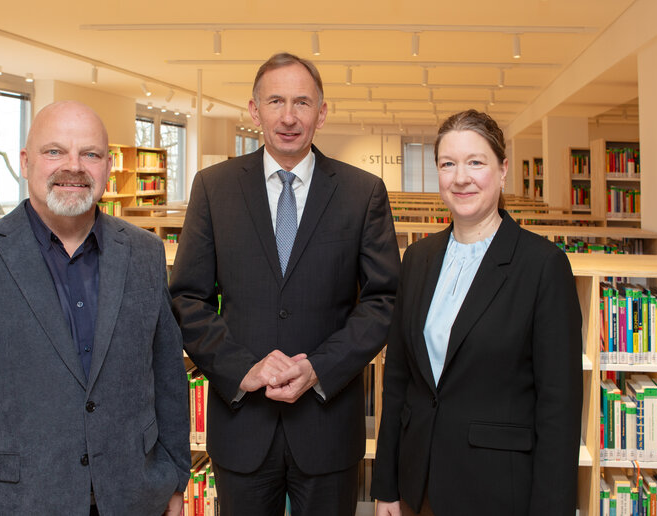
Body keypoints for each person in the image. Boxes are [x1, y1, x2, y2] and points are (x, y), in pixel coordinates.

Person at [0, 100, 190, 516]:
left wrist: (174, 477)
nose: (73, 166)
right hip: (18, 503)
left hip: (134, 497)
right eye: (54, 151)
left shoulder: (145, 253)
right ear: (25, 161)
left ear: (108, 167)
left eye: (90, 154)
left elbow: (167, 376)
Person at [169, 52, 400, 516]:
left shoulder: (362, 192)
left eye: (302, 102)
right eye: (275, 101)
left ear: (322, 111)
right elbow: (187, 298)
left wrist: (319, 367)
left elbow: (383, 300)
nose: (289, 117)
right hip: (242, 426)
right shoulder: (213, 187)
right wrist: (244, 368)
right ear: (254, 110)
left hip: (328, 423)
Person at [371, 109, 582, 516]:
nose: (460, 177)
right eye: (448, 164)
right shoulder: (418, 258)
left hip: (498, 492)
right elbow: (397, 383)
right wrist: (387, 487)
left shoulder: (542, 265)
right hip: (418, 488)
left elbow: (559, 408)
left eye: (475, 162)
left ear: (503, 170)